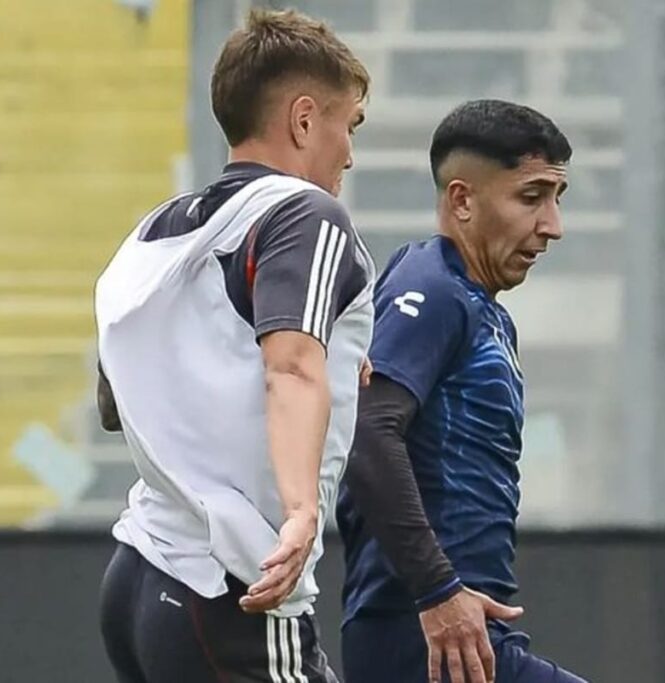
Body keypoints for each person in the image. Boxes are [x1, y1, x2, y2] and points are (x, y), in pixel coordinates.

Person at [94, 9, 373, 682]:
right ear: (305, 119)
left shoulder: (156, 231)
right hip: (229, 588)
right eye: (350, 124)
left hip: (139, 577)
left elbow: (113, 400)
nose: (351, 151)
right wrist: (302, 508)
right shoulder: (306, 213)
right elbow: (292, 364)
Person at [336, 99, 587, 683]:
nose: (553, 225)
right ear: (462, 200)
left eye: (557, 198)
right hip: (421, 632)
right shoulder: (433, 288)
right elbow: (366, 429)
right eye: (531, 197)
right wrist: (438, 591)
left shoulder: (487, 313)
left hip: (464, 634)